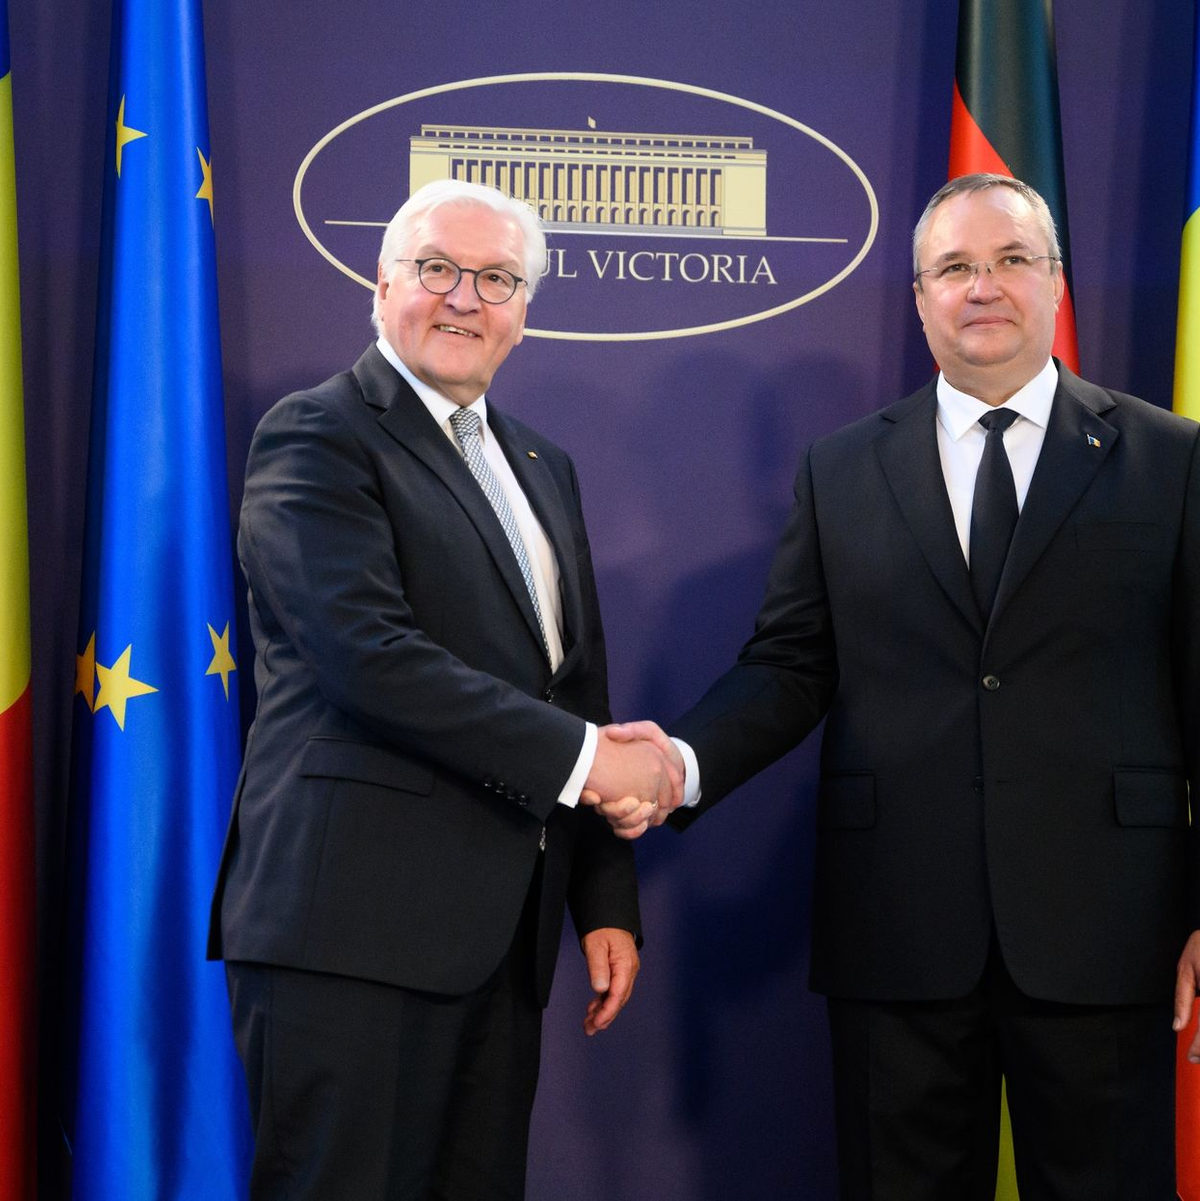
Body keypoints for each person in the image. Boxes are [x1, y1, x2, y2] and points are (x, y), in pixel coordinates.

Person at [590, 173, 1200, 1199]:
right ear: (919, 299)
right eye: (954, 267)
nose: (983, 287)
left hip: (1110, 934)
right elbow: (789, 666)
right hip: (900, 933)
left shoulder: (1173, 462)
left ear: (1056, 284)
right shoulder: (843, 471)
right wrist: (677, 762)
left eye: (1010, 260)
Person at [208, 179, 678, 1200]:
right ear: (383, 285)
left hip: (499, 938)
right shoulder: (319, 434)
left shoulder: (542, 465)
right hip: (349, 936)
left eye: (498, 279)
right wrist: (599, 764)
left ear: (525, 313)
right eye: (437, 269)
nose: (465, 298)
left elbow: (576, 687)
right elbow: (368, 656)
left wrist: (602, 896)